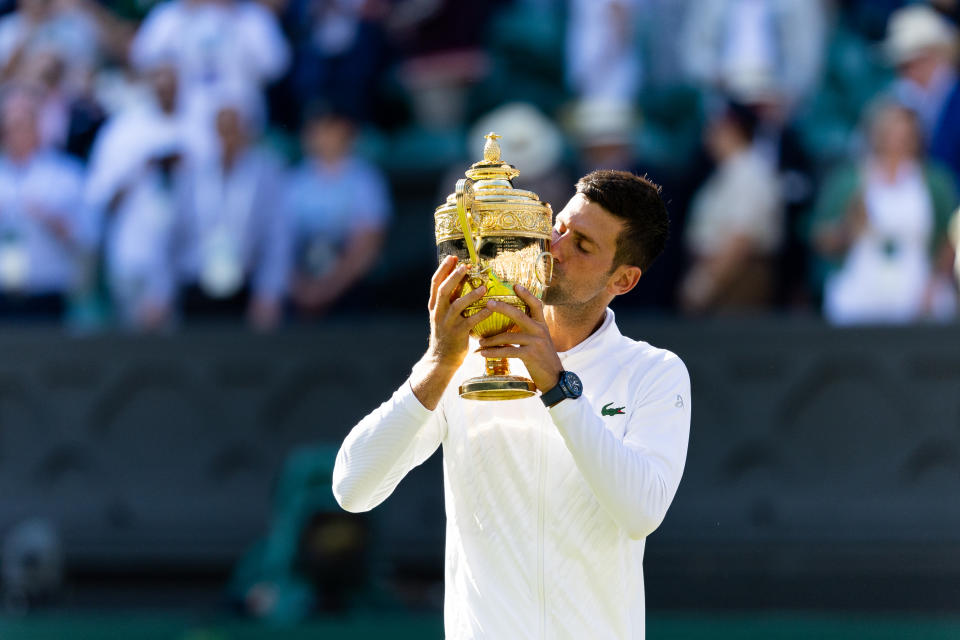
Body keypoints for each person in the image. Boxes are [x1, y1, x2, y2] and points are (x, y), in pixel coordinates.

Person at [333, 170, 691, 639]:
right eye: (559, 227)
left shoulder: (655, 372)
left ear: (623, 280)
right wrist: (438, 363)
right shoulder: (462, 359)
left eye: (582, 246)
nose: (555, 248)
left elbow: (641, 512)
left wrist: (557, 387)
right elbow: (352, 488)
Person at [810, 101, 958, 324]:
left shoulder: (934, 181)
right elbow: (822, 238)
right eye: (890, 130)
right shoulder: (849, 181)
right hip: (862, 285)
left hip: (918, 282)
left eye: (904, 131)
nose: (897, 139)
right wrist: (849, 227)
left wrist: (934, 283)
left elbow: (950, 237)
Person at [286, 106, 390, 318]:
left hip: (351, 290)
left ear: (346, 131)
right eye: (316, 129)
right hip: (300, 288)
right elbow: (280, 243)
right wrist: (300, 287)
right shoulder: (293, 181)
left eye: (329, 128)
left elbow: (367, 245)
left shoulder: (365, 179)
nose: (323, 136)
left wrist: (327, 290)